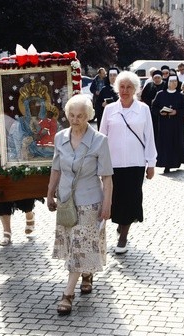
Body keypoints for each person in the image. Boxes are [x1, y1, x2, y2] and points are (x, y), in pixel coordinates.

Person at [47, 94, 113, 315]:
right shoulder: (59, 138)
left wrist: (107, 205)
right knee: (73, 243)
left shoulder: (100, 141)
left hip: (89, 200)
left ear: (89, 116)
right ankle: (86, 273)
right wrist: (49, 194)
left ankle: (67, 294)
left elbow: (107, 178)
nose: (75, 120)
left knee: (79, 245)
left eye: (80, 116)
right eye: (72, 115)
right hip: (66, 200)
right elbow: (55, 168)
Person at [99, 71, 157, 254]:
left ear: (135, 89)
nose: (125, 90)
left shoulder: (143, 109)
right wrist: (99, 162)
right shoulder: (109, 109)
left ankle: (123, 235)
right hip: (113, 164)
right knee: (114, 199)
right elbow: (101, 137)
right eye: (122, 87)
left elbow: (149, 137)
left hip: (136, 163)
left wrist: (151, 163)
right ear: (117, 88)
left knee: (131, 199)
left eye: (129, 87)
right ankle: (120, 224)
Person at [0, 120, 37, 246]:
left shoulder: (20, 118)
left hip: (19, 162)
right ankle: (6, 232)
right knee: (1, 198)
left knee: (25, 198)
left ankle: (29, 214)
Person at [151, 75, 184, 173]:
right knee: (165, 143)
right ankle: (166, 164)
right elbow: (154, 107)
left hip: (177, 125)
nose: (174, 83)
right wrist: (160, 112)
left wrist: (176, 112)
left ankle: (175, 162)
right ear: (167, 83)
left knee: (175, 143)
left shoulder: (180, 96)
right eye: (172, 81)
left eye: (176, 81)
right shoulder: (160, 94)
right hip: (164, 124)